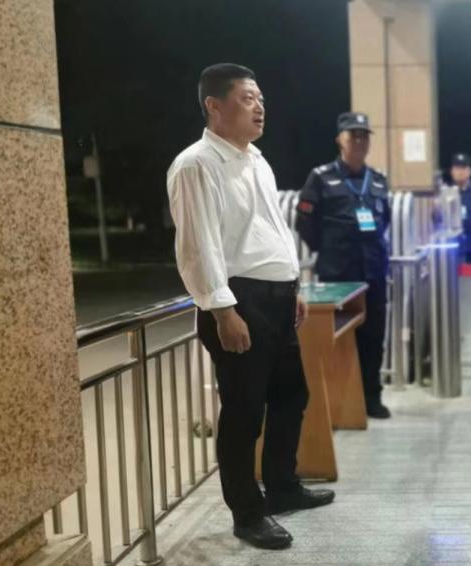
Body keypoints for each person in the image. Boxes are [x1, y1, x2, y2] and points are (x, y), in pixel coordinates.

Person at [167, 63, 334, 551]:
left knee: (291, 396)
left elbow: (270, 229)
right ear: (214, 106)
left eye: (260, 98)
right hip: (240, 301)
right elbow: (199, 246)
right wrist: (223, 310)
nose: (259, 106)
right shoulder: (197, 164)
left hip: (277, 299)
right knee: (244, 412)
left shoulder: (256, 160)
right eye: (247, 98)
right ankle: (248, 513)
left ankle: (282, 486)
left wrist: (293, 283)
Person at [295, 112, 392, 419]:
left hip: (373, 272)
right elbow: (304, 222)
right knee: (336, 339)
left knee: (373, 337)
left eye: (364, 136)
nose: (359, 141)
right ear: (340, 140)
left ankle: (371, 397)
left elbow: (385, 220)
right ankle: (338, 402)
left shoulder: (378, 180)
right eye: (353, 135)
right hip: (337, 275)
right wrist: (329, 251)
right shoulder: (321, 177)